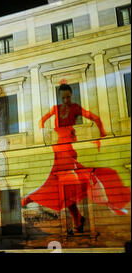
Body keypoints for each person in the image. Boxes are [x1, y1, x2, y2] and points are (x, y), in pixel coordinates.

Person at [22, 79, 131, 233]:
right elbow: (41, 121)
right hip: (59, 149)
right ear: (60, 97)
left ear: (71, 96)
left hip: (68, 150)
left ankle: (32, 198)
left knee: (59, 183)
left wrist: (101, 135)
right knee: (63, 186)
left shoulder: (75, 108)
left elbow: (96, 118)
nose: (66, 100)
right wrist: (44, 134)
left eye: (68, 97)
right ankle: (77, 219)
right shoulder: (56, 109)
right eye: (63, 97)